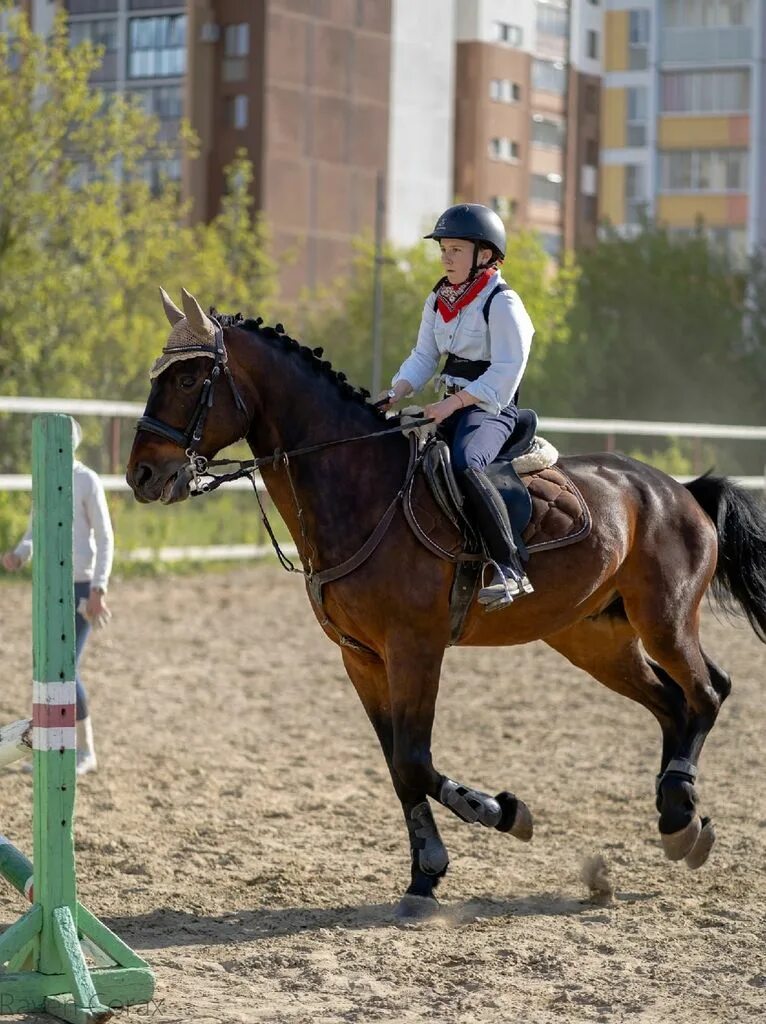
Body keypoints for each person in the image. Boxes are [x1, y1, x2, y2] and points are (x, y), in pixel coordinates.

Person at [379, 203, 535, 611]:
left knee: (466, 464)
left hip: (490, 407)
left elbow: (508, 369)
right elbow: (424, 356)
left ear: (485, 255)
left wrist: (453, 404)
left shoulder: (502, 302)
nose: (446, 258)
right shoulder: (440, 298)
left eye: (456, 250)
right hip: (447, 404)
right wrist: (396, 390)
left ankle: (510, 567)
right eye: (443, 249)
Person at [1, 419, 113, 774]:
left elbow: (105, 537)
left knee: (66, 667)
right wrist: (20, 554)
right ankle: (52, 747)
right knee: (45, 666)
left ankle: (85, 749)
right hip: (48, 587)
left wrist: (98, 588)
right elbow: (34, 531)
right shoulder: (44, 481)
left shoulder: (87, 480)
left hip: (81, 587)